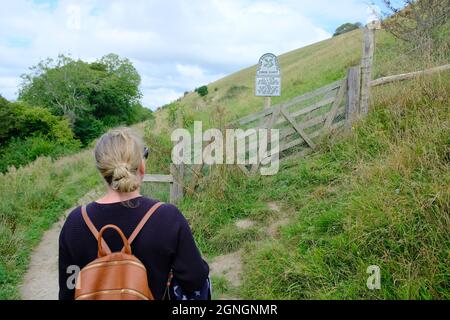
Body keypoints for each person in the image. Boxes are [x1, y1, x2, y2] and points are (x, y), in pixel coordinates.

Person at [58, 127, 209, 300]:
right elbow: (195, 279)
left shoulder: (75, 222)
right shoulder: (167, 217)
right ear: (142, 166)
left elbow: (69, 288)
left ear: (102, 171)